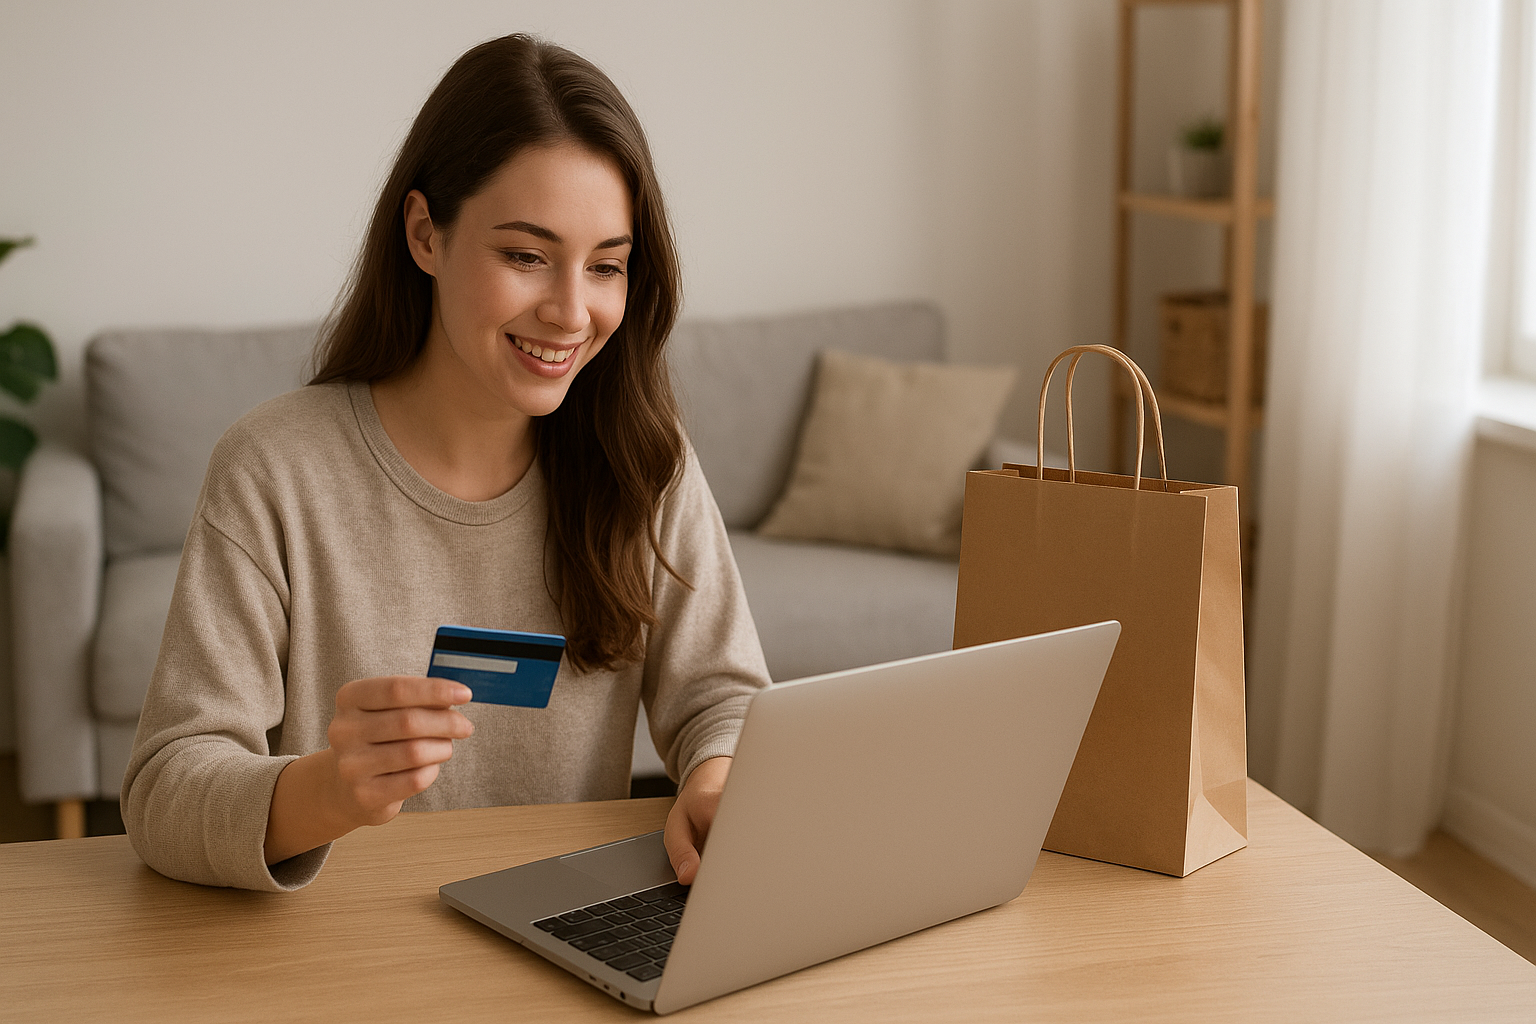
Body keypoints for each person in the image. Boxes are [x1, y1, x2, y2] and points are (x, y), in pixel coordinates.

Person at [121, 34, 771, 891]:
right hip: (338, 942)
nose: (571, 312)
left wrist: (716, 783)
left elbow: (725, 701)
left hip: (560, 923)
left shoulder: (642, 459)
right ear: (426, 234)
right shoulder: (274, 469)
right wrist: (327, 789)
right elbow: (165, 789)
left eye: (606, 266)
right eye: (526, 256)